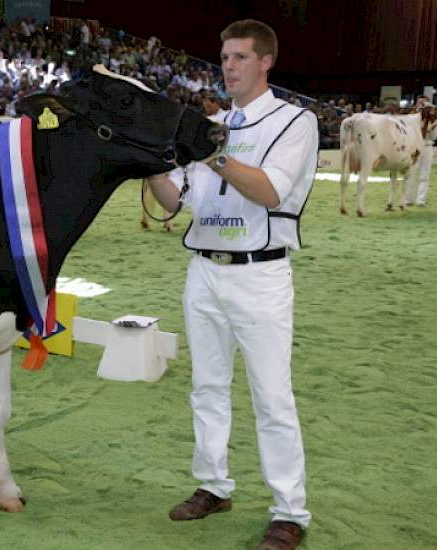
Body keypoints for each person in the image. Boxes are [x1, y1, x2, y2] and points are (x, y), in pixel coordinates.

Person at [145, 19, 316, 550]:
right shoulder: (212, 123)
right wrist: (148, 158)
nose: (229, 66)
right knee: (207, 388)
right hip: (204, 271)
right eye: (223, 57)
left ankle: (290, 512)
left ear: (266, 62)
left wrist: (210, 154)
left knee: (272, 397)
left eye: (240, 57)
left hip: (261, 274)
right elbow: (175, 202)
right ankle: (213, 485)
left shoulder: (295, 122)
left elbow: (269, 190)